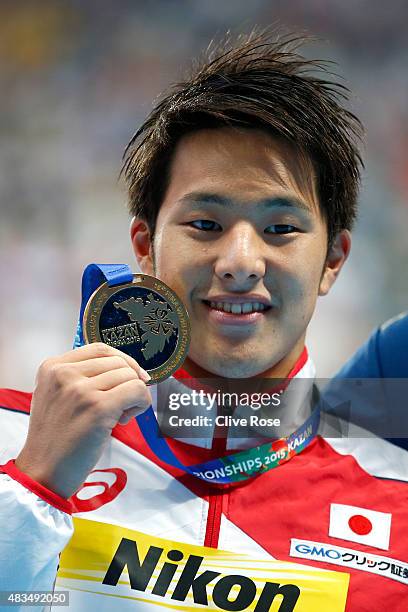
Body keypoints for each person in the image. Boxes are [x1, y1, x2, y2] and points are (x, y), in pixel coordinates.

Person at [0, 30, 407, 612]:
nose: (240, 263)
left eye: (281, 229)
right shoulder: (12, 438)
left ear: (333, 261)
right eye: (206, 225)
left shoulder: (398, 495)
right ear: (145, 244)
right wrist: (33, 488)